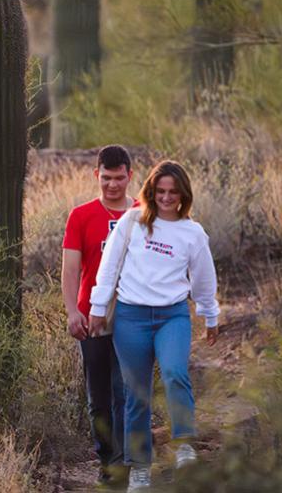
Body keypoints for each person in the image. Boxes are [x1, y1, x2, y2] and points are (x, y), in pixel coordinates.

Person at [88, 160, 220, 492]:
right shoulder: (132, 221)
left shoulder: (192, 233)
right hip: (131, 318)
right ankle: (140, 469)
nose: (165, 197)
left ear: (183, 195)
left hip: (171, 316)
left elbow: (203, 279)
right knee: (136, 395)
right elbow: (109, 265)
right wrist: (98, 307)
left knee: (175, 373)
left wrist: (210, 315)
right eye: (160, 191)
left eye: (173, 192)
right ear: (150, 191)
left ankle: (185, 445)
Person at [60, 145, 138, 485]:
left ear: (129, 176)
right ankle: (107, 460)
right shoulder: (81, 216)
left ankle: (124, 463)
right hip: (93, 316)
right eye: (106, 178)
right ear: (97, 175)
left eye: (119, 178)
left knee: (126, 393)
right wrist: (72, 311)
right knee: (98, 397)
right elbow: (70, 269)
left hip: (134, 315)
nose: (112, 185)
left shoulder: (142, 213)